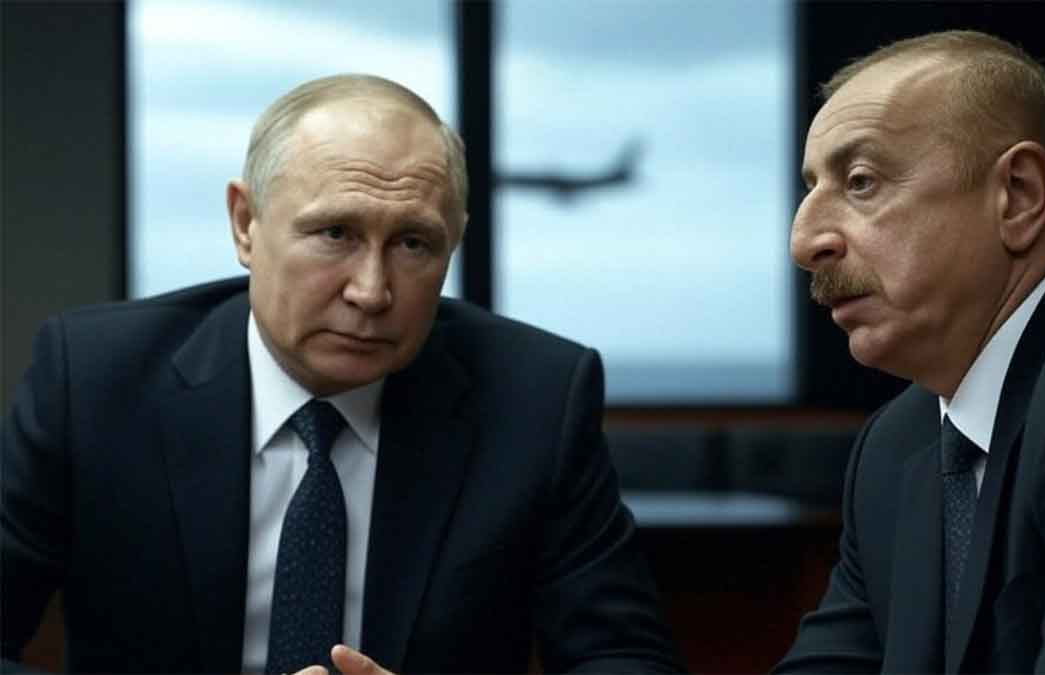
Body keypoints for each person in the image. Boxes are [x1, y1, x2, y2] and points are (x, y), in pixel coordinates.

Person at [2, 74, 682, 675]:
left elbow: (626, 657)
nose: (371, 291)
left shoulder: (535, 400)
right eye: (335, 234)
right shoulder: (94, 382)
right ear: (245, 223)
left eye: (413, 243)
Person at [773, 30, 1045, 674]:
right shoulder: (897, 444)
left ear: (1018, 195)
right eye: (811, 187)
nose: (804, 241)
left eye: (860, 182)